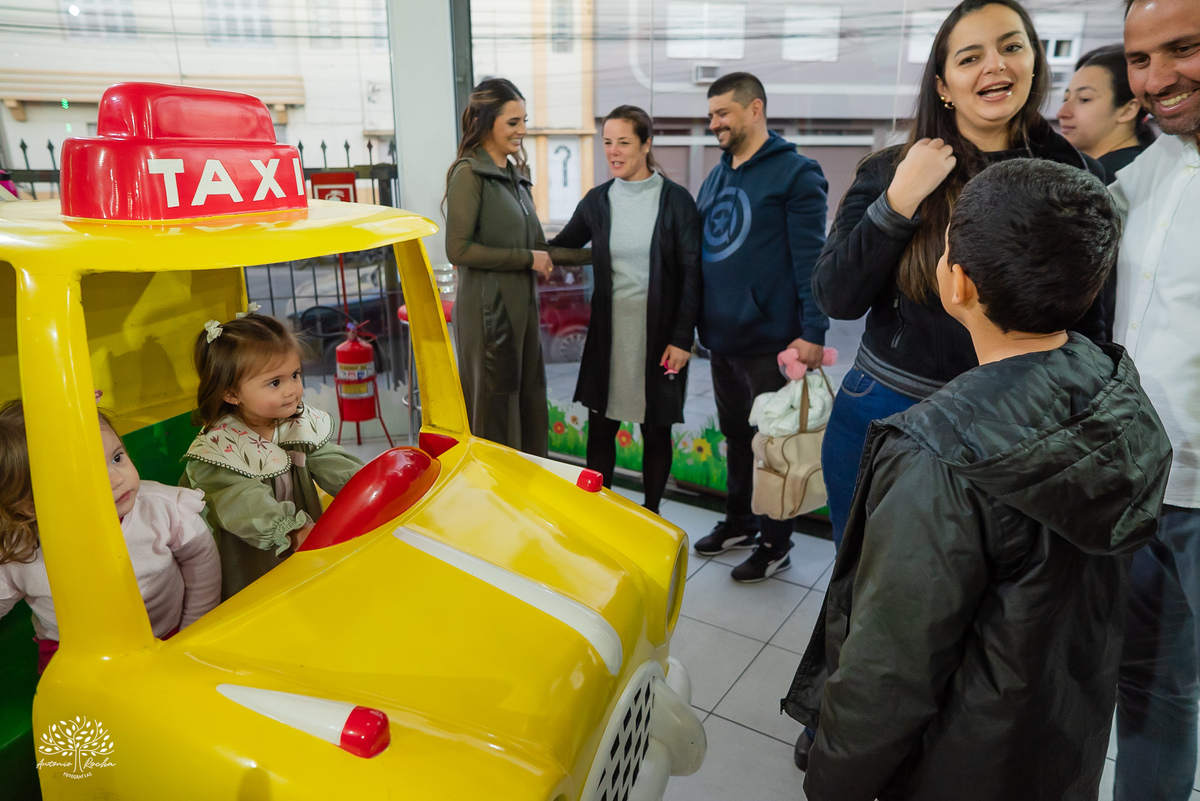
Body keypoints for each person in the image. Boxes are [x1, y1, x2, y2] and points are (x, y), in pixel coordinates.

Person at [783, 158, 1171, 801]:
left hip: (955, 766)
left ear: (956, 281)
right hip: (1057, 742)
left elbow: (889, 670)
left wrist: (832, 781)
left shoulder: (939, 457)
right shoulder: (1116, 387)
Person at [796, 0, 1109, 767]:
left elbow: (1093, 322)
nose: (993, 66)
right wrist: (901, 202)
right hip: (885, 411)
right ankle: (844, 716)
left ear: (1036, 62)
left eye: (1010, 47)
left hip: (1011, 424)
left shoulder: (1072, 175)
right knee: (867, 589)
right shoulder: (889, 169)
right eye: (969, 56)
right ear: (943, 83)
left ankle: (934, 740)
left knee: (976, 606)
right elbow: (835, 295)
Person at [689, 72, 830, 583]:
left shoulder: (796, 174)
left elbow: (812, 259)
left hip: (773, 343)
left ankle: (776, 544)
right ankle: (741, 522)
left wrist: (814, 331)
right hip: (721, 339)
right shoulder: (718, 174)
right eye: (711, 116)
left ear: (755, 110)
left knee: (774, 446)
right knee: (735, 437)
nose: (715, 124)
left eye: (723, 113)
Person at [1111, 0, 1200, 798]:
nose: (1158, 79)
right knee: (1142, 680)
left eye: (1185, 48)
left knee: (1164, 689)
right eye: (1141, 60)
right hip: (1128, 478)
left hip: (1196, 497)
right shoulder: (1155, 164)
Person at [547, 106, 701, 514]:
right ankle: (601, 517)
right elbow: (564, 246)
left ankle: (651, 516)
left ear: (646, 144)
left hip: (660, 339)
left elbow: (692, 274)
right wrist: (517, 251)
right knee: (600, 433)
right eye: (608, 143)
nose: (613, 152)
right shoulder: (598, 201)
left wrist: (683, 339)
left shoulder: (676, 201)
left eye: (624, 143)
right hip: (609, 338)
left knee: (657, 433)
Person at [0, 401, 221, 673]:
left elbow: (202, 560)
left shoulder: (160, 508)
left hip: (168, 635)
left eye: (117, 458)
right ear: (31, 505)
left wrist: (195, 627)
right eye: (90, 477)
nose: (117, 479)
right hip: (72, 655)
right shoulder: (19, 549)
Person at [443, 78, 591, 456]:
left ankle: (523, 501)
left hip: (520, 311)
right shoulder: (469, 174)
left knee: (525, 402)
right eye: (513, 122)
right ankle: (493, 505)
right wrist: (527, 259)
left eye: (524, 120)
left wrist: (602, 253)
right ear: (486, 122)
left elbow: (540, 248)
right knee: (494, 411)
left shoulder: (515, 179)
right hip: (488, 313)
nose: (522, 130)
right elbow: (458, 249)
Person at [183, 311, 363, 598]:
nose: (292, 390)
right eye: (275, 383)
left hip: (306, 543)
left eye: (295, 375)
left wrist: (362, 485)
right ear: (231, 394)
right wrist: (290, 530)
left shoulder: (296, 423)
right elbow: (243, 502)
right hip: (254, 556)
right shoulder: (219, 449)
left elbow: (329, 459)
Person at [1058, 44, 1157, 184]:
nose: (1062, 113)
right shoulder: (1146, 166)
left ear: (1128, 110)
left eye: (1084, 99)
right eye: (1065, 99)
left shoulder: (1110, 181)